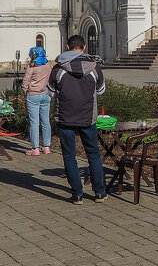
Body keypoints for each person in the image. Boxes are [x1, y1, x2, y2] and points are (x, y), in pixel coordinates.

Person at [48, 34, 107, 204]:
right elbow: (101, 90)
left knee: (69, 155)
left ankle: (77, 194)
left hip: (65, 118)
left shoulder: (58, 69)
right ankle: (100, 192)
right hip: (88, 117)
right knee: (93, 154)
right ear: (84, 48)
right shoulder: (95, 68)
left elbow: (51, 92)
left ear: (67, 47)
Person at [23, 46, 53, 156]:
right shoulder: (48, 66)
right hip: (46, 94)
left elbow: (25, 82)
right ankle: (46, 146)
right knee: (45, 121)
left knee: (34, 122)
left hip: (33, 95)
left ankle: (35, 148)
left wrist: (26, 91)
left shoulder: (32, 67)